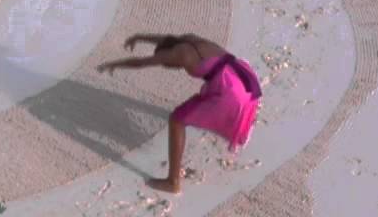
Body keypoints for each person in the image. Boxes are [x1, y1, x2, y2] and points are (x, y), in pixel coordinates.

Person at [97, 33, 262, 194]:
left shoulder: (178, 54)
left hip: (231, 91)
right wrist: (139, 37)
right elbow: (165, 38)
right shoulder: (188, 39)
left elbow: (142, 62)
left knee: (177, 120)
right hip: (242, 75)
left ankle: (173, 182)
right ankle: (246, 119)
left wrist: (114, 64)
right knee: (198, 106)